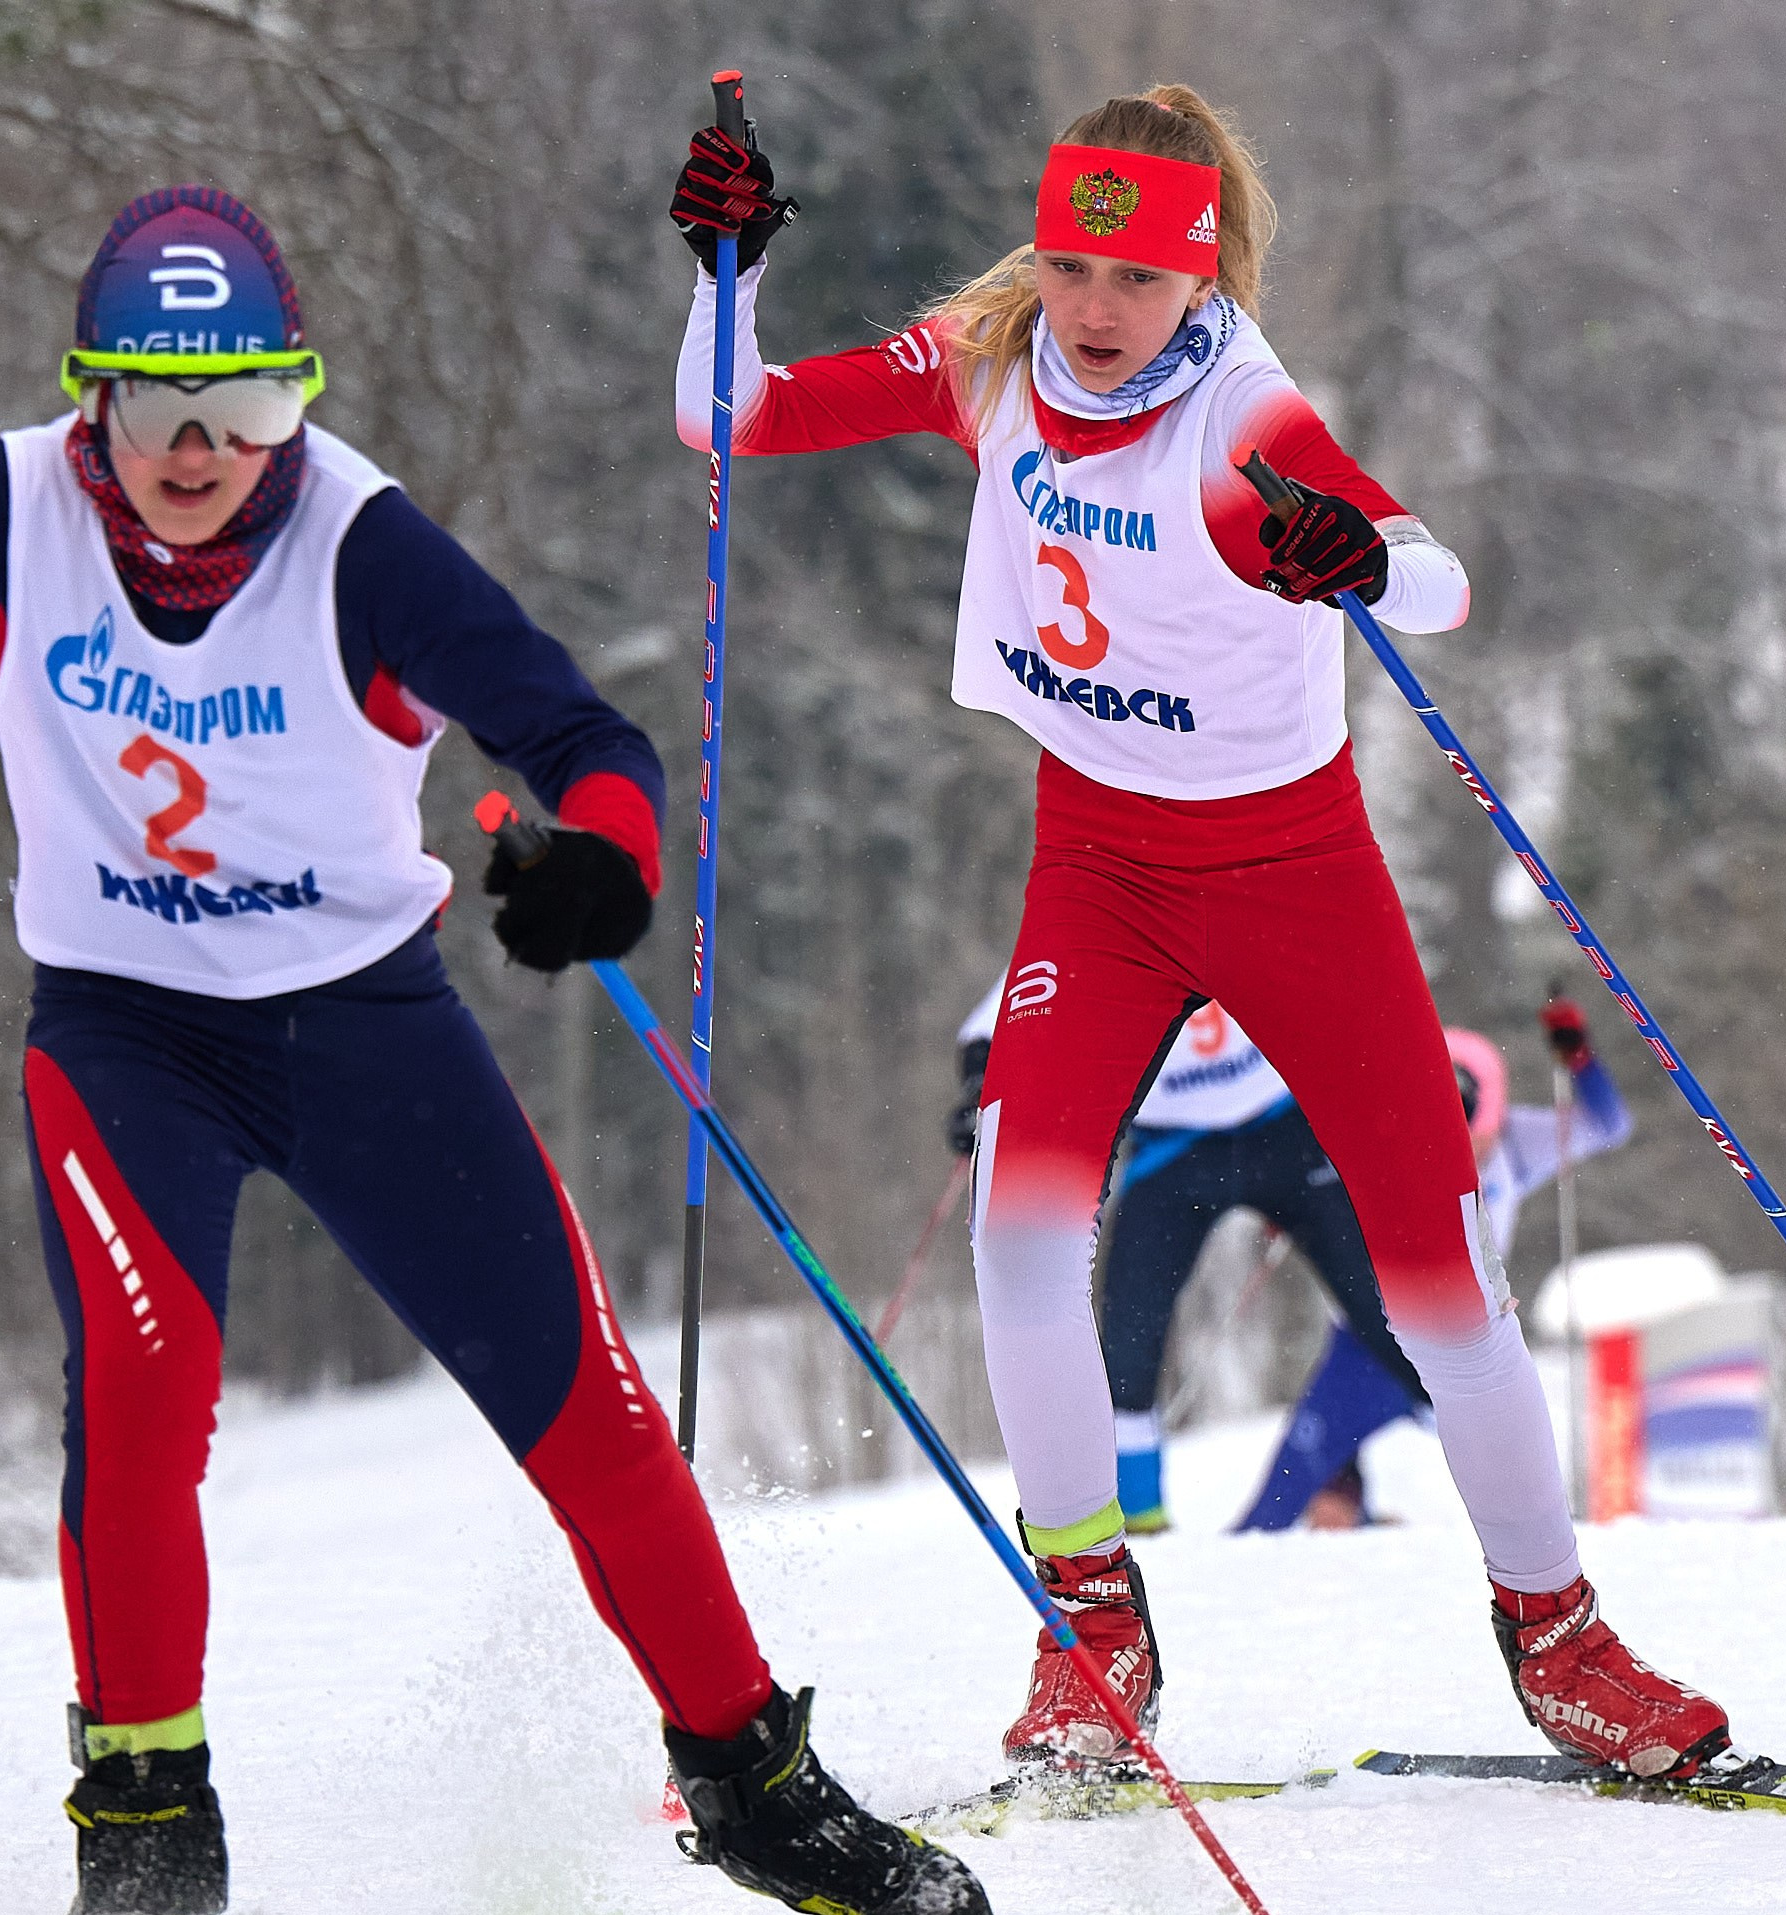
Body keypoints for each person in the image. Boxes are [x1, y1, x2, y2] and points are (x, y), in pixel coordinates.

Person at [0, 186, 1002, 1915]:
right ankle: (147, 1832)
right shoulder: (6, 512)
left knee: (595, 1415)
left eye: (246, 408)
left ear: (297, 399)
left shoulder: (361, 542)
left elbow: (584, 741)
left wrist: (599, 864)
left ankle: (758, 1782)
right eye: (156, 410)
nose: (201, 451)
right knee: (143, 1404)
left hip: (366, 1029)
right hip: (125, 1035)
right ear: (92, 403)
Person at [669, 92, 1731, 1782]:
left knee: (1439, 1276)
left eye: (1138, 278)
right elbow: (728, 418)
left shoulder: (1242, 412)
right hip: (1096, 868)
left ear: (1201, 274)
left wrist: (1355, 555)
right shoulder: (987, 358)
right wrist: (725, 271)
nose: (1097, 309)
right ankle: (1089, 1620)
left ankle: (1562, 1638)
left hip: (1291, 868)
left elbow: (1440, 577)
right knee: (1019, 1232)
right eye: (1075, 264)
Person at [945, 979, 1421, 1537]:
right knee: (1128, 1340)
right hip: (1174, 1151)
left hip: (1288, 1126)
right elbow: (992, 1025)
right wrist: (981, 1090)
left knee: (1396, 1311)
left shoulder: (1246, 892)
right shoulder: (1100, 905)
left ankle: (1490, 1489)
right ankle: (1141, 1522)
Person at [1237, 1000, 1634, 1532]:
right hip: (1370, 1347)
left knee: (1517, 1515)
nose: (1456, 1144)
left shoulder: (1515, 1144)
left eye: (1471, 1123)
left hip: (1466, 1344)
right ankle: (1350, 1506)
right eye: (1439, 1121)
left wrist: (1577, 1054)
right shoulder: (1382, 1138)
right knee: (1275, 1513)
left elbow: (1607, 1125)